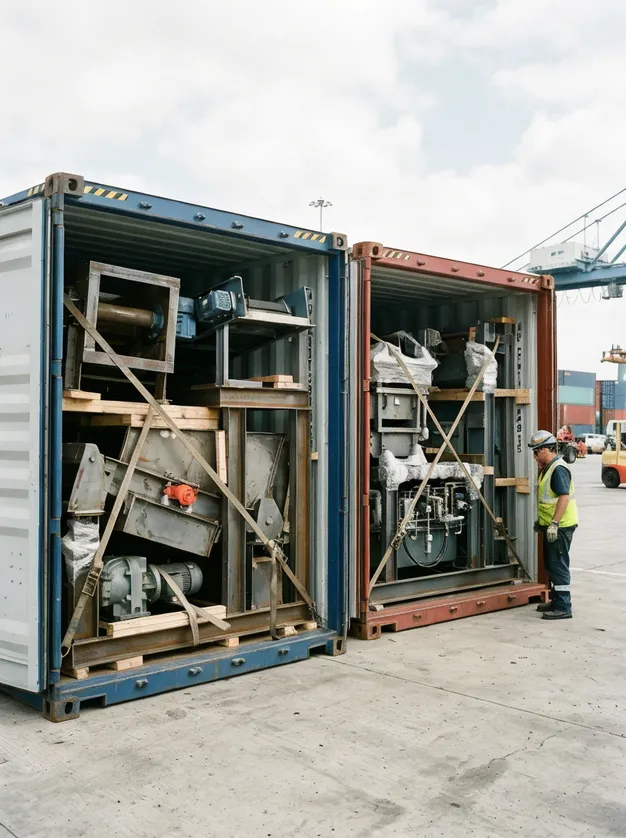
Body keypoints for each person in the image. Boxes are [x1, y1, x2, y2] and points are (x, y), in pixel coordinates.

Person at [528, 430, 578, 620]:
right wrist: (542, 523)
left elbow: (563, 498)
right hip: (552, 525)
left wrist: (554, 524)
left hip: (561, 526)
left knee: (558, 565)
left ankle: (564, 606)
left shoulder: (557, 468)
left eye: (536, 452)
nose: (534, 456)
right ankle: (557, 601)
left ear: (546, 450)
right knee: (551, 564)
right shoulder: (548, 467)